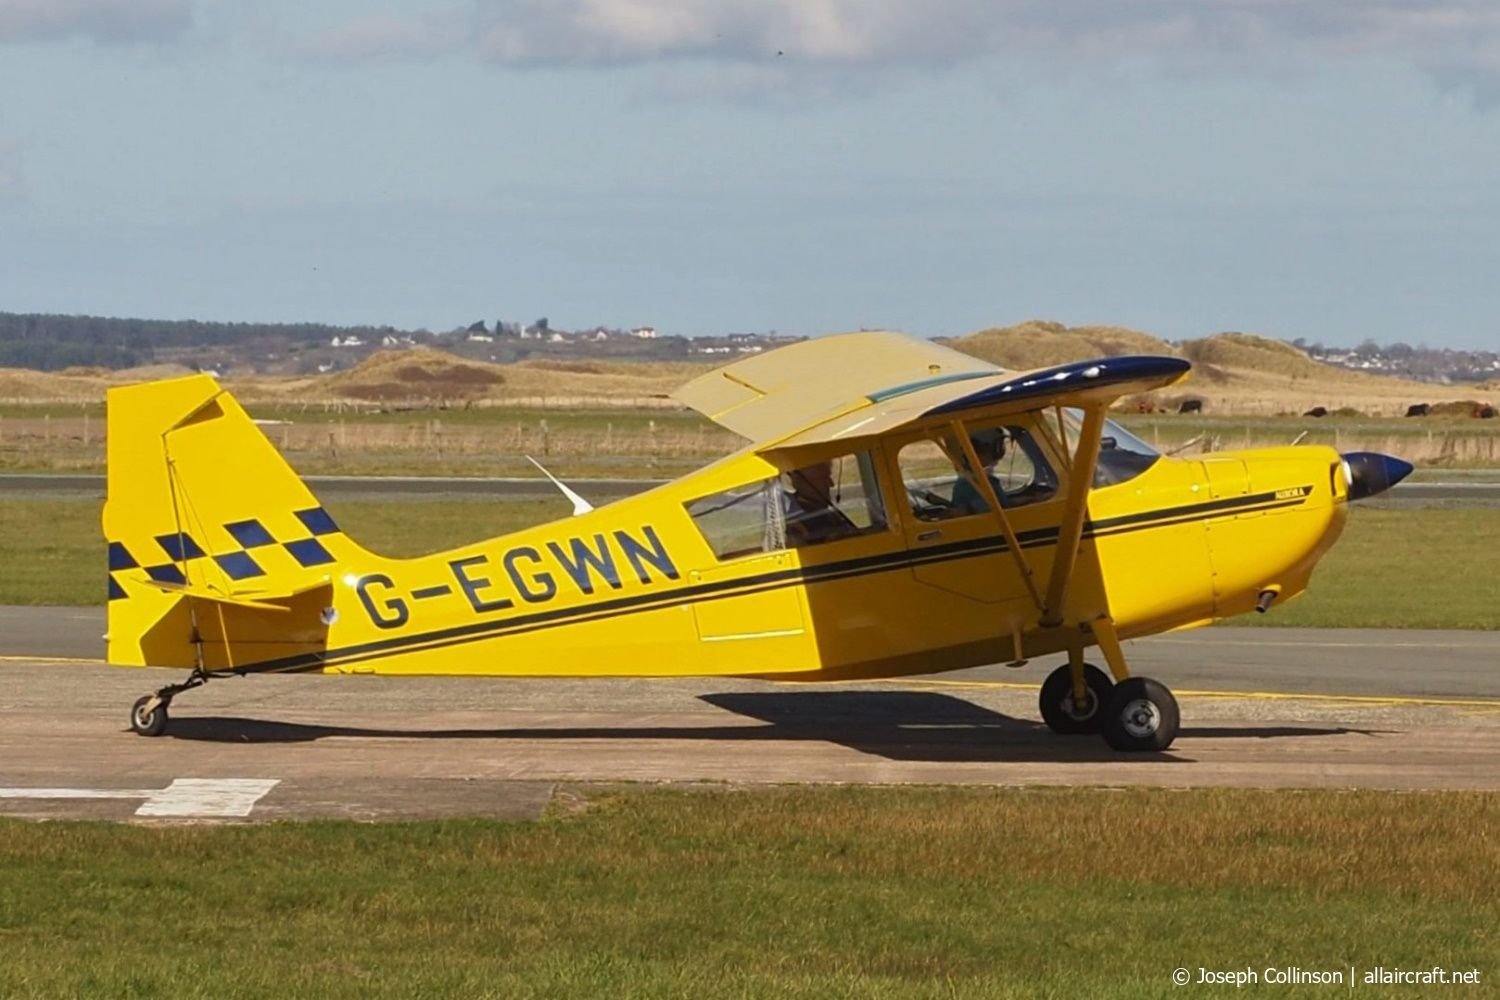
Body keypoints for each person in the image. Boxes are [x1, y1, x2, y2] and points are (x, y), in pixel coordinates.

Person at [784, 461, 856, 546]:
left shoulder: (830, 515)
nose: (831, 484)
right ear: (798, 481)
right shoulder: (788, 517)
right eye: (823, 478)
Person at [949, 429, 1007, 515]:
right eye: (997, 446)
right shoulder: (970, 485)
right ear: (981, 449)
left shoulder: (978, 479)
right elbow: (990, 514)